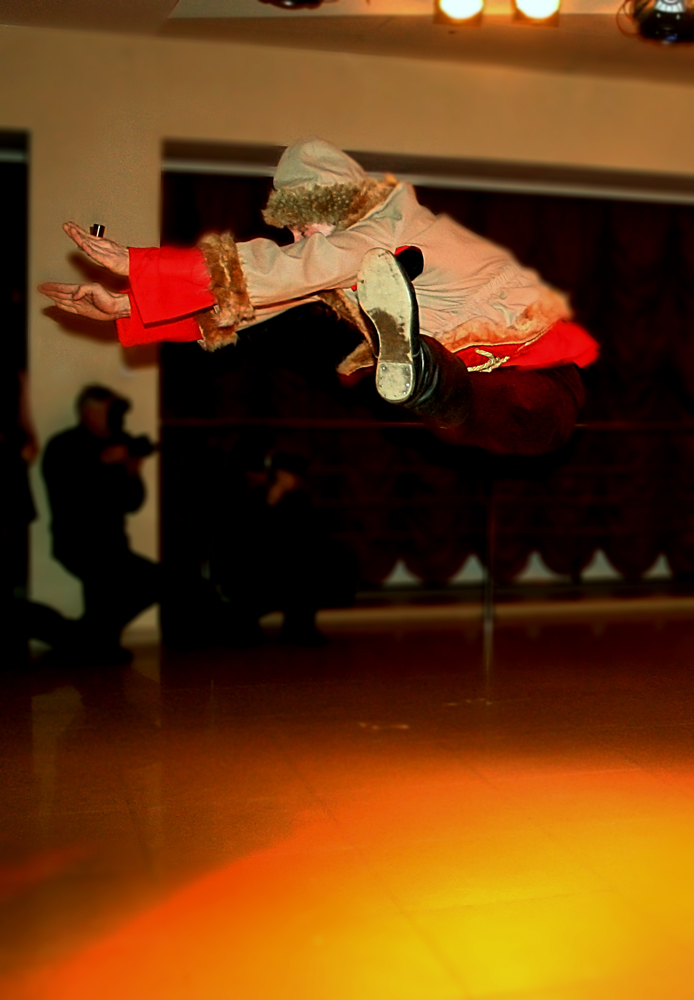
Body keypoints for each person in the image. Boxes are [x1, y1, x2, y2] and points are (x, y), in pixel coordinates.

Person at [39, 136, 598, 457]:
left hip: (543, 367)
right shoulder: (345, 256)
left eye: (303, 224)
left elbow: (287, 267)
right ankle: (418, 369)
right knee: (458, 413)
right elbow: (251, 307)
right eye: (292, 229)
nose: (297, 237)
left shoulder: (381, 231)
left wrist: (140, 263)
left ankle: (419, 368)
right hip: (472, 374)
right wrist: (130, 305)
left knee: (527, 418)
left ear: (336, 207)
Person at [42, 385, 159, 665]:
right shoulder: (64, 445)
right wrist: (100, 462)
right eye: (111, 411)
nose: (117, 417)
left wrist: (132, 470)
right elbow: (67, 492)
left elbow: (132, 502)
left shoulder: (120, 443)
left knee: (158, 582)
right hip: (77, 543)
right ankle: (92, 639)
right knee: (105, 587)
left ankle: (85, 638)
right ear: (89, 412)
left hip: (114, 545)